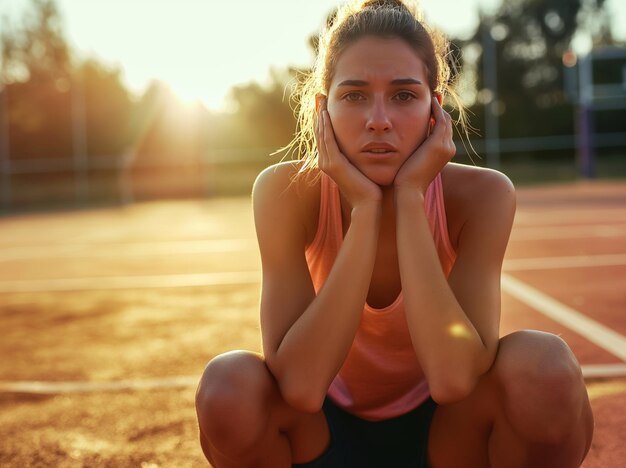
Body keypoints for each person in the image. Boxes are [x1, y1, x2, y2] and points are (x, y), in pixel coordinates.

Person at [195, 0, 594, 466]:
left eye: (404, 95)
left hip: (448, 436)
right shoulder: (286, 192)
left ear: (434, 108)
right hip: (323, 432)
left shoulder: (483, 196)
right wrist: (365, 208)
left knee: (545, 368)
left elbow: (453, 380)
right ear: (323, 108)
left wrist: (408, 197)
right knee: (229, 386)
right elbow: (300, 389)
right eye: (355, 95)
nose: (378, 119)